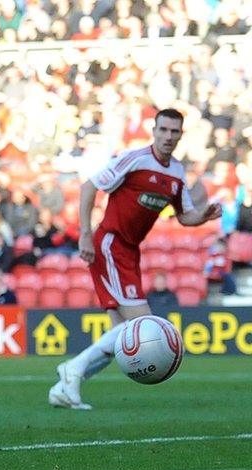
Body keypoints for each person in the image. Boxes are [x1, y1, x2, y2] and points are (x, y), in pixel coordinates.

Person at [48, 109, 221, 410]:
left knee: (120, 334)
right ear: (154, 130)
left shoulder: (177, 173)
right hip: (111, 243)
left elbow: (184, 216)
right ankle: (73, 369)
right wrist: (85, 234)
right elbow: (90, 186)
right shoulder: (135, 159)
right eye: (163, 130)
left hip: (129, 251)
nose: (168, 136)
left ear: (181, 135)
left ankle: (64, 387)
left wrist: (203, 216)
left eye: (174, 132)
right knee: (142, 323)